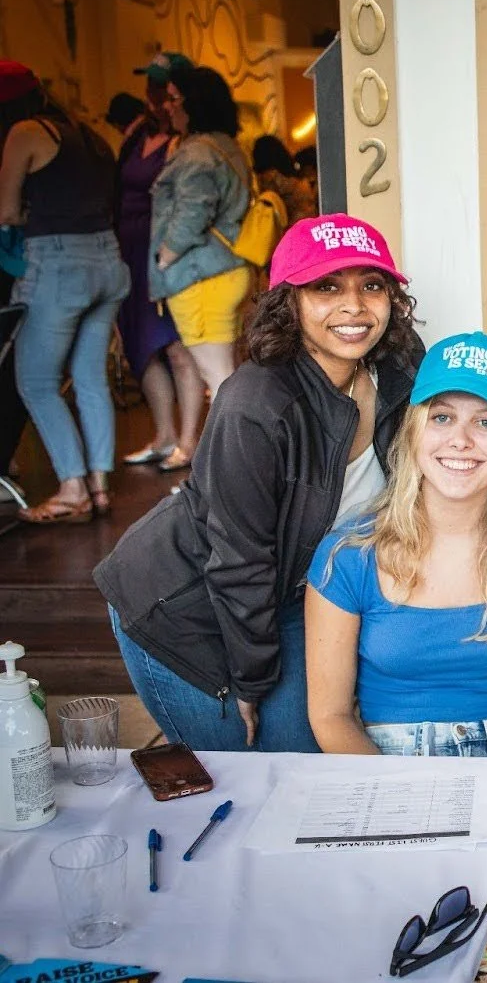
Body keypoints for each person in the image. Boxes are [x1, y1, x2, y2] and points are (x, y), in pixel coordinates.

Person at [94, 214, 418, 752]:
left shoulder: (399, 371)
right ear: (289, 302)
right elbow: (238, 559)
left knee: (307, 759)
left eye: (372, 285)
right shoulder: (255, 403)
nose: (354, 307)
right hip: (187, 601)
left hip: (292, 592)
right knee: (241, 769)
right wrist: (251, 680)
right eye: (326, 287)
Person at [304, 331, 487, 757]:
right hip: (387, 762)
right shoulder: (349, 553)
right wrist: (392, 788)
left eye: (486, 422)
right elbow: (330, 716)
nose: (461, 440)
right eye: (442, 417)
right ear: (414, 431)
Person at [0, 60, 130, 524]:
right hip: (108, 261)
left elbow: (6, 211)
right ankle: (99, 486)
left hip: (59, 266)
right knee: (90, 378)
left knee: (36, 382)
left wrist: (27, 214)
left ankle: (73, 489)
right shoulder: (90, 136)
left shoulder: (24, 134)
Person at [114, 55, 206, 473]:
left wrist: (168, 254)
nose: (153, 95)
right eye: (149, 85)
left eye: (161, 86)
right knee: (141, 348)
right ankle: (163, 434)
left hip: (165, 253)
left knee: (177, 347)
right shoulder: (136, 136)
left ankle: (189, 440)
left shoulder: (186, 144)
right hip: (129, 253)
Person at [149, 65, 252, 398]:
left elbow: (194, 210)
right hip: (228, 269)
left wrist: (165, 257)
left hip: (200, 276)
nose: (168, 106)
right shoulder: (228, 146)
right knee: (228, 374)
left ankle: (239, 436)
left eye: (175, 98)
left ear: (194, 103)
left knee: (219, 379)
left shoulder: (197, 151)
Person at [252, 134, 316, 226]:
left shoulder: (269, 178)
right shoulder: (296, 179)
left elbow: (269, 210)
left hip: (291, 229)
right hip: (308, 225)